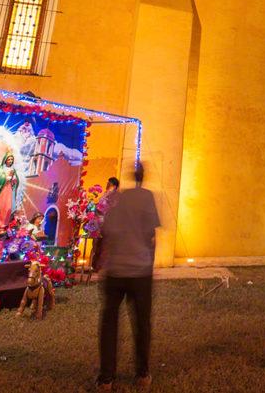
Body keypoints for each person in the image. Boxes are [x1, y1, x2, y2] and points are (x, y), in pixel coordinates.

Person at [93, 163, 160, 390]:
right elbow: (151, 232)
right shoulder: (147, 197)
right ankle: (142, 373)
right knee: (141, 323)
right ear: (143, 176)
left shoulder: (118, 200)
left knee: (109, 322)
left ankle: (106, 378)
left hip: (115, 270)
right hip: (139, 270)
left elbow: (106, 230)